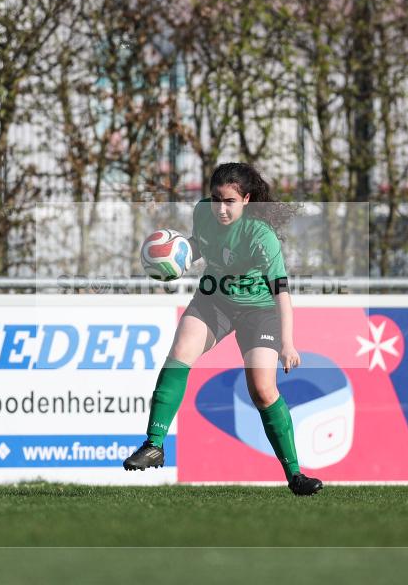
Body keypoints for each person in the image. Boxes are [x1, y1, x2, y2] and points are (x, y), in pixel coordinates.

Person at [124, 163, 323, 495]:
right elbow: (201, 245)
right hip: (214, 299)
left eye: (229, 201)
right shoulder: (203, 213)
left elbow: (281, 293)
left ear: (246, 199)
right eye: (216, 199)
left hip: (259, 311)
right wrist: (177, 254)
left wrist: (288, 343)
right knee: (180, 352)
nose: (221, 208)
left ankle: (295, 475)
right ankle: (154, 443)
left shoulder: (262, 236)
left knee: (262, 391)